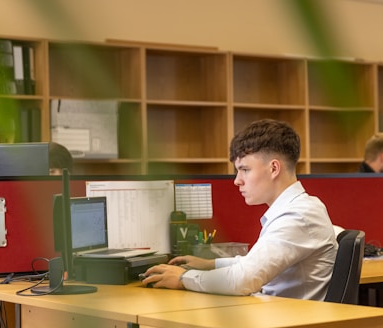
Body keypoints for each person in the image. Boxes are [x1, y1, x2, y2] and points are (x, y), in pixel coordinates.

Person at [142, 119, 338, 300]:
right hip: (278, 316)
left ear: (274, 168)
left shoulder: (298, 215)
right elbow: (253, 264)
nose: (237, 181)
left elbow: (243, 280)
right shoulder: (296, 208)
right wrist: (211, 264)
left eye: (245, 169)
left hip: (288, 327)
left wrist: (184, 278)